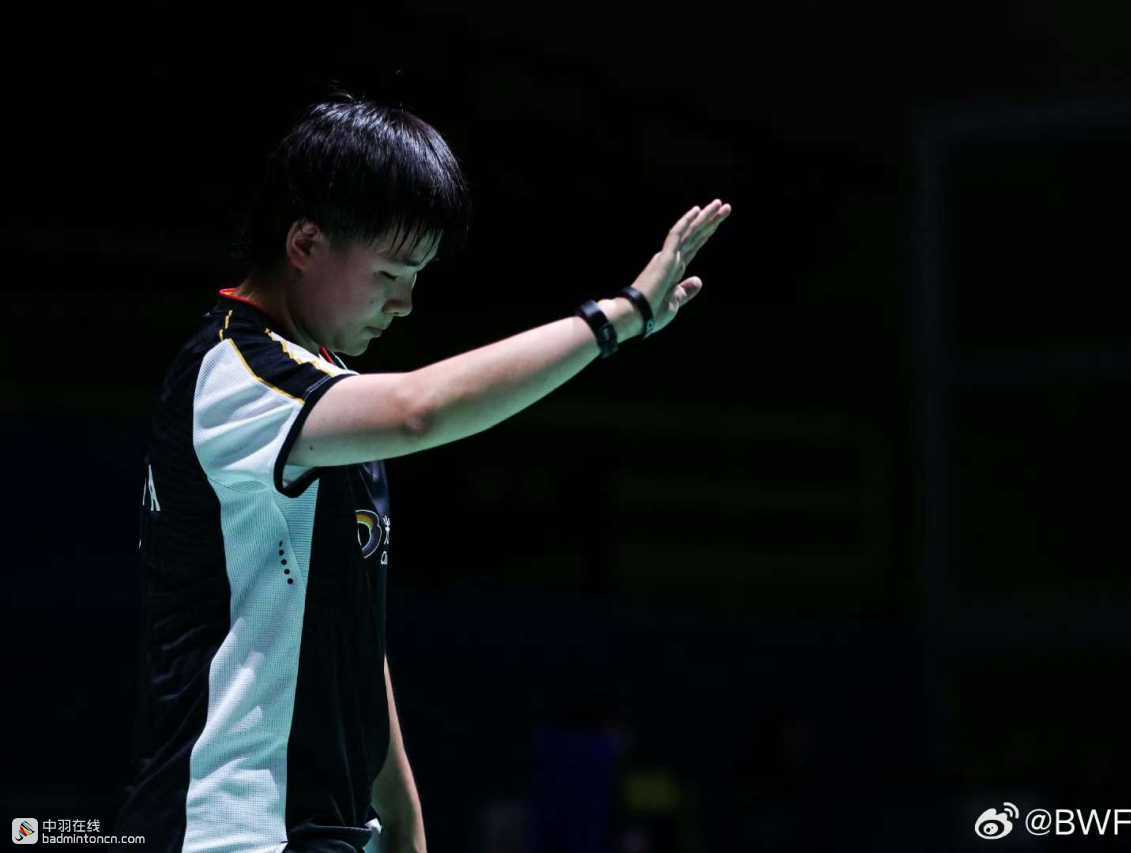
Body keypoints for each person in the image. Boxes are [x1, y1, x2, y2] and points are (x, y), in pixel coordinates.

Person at [111, 92, 730, 853]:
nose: (404, 303)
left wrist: (402, 816)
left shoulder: (326, 397)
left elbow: (350, 627)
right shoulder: (236, 374)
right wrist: (617, 318)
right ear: (305, 242)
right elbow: (419, 411)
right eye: (390, 272)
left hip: (327, 828)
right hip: (228, 828)